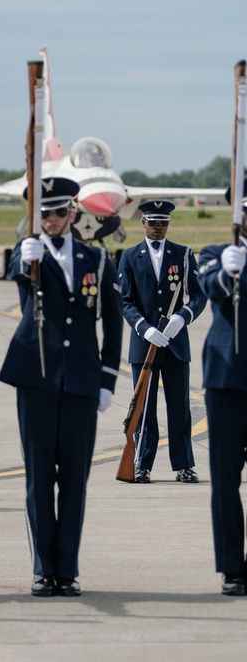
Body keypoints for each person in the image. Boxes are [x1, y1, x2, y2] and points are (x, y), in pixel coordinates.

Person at [0, 177, 122, 598]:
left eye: (57, 212)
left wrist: (107, 379)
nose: (50, 219)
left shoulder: (98, 261)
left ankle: (66, 569)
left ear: (72, 212)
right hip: (35, 378)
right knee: (37, 479)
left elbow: (113, 322)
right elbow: (21, 281)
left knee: (74, 480)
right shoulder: (28, 255)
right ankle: (41, 568)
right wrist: (20, 257)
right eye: (43, 213)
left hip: (82, 382)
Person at [117, 200, 205, 484]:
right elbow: (124, 300)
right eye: (152, 222)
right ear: (142, 223)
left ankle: (183, 465)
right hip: (144, 345)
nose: (157, 227)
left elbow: (199, 295)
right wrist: (143, 328)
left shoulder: (183, 254)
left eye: (163, 223)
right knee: (143, 409)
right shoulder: (129, 256)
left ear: (168, 224)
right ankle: (142, 464)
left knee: (179, 407)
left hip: (176, 343)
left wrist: (182, 317)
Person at [197, 186, 247, 596]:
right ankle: (233, 567)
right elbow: (210, 287)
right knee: (225, 480)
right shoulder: (216, 252)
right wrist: (229, 271)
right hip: (227, 379)